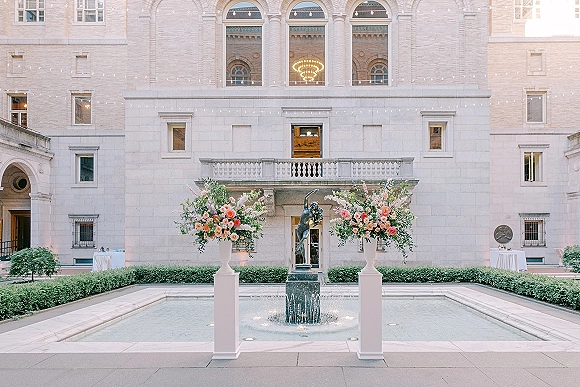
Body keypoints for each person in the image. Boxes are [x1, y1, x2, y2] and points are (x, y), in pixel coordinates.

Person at [295, 189, 323, 263]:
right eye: (314, 205)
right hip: (300, 227)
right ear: (312, 205)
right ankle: (304, 259)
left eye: (316, 206)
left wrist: (316, 222)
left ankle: (297, 247)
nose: (314, 207)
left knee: (304, 237)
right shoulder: (306, 208)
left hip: (306, 227)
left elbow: (315, 221)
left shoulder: (313, 214)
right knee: (302, 247)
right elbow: (306, 198)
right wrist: (312, 192)